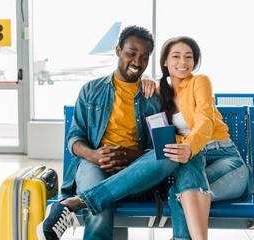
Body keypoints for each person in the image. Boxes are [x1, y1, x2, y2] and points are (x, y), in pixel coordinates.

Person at [36, 25, 177, 240]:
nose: (137, 62)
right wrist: (94, 155)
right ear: (118, 50)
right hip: (94, 164)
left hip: (135, 171)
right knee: (100, 211)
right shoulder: (91, 90)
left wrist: (129, 156)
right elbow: (75, 138)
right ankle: (89, 197)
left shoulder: (152, 97)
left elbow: (159, 148)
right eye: (131, 53)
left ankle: (74, 203)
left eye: (144, 56)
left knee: (168, 155)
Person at [157, 36, 248, 239]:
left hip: (226, 159)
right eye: (176, 56)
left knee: (179, 187)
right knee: (183, 176)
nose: (183, 62)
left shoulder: (200, 81)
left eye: (188, 57)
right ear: (165, 62)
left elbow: (205, 120)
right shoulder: (160, 93)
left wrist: (189, 146)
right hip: (193, 162)